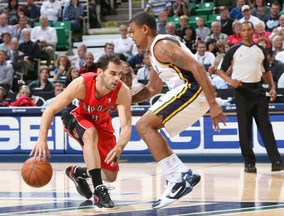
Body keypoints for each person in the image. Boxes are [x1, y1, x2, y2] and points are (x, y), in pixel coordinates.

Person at [129, 11, 226, 209]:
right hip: (187, 90)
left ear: (145, 29)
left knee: (144, 125)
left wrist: (213, 104)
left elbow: (197, 67)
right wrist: (127, 101)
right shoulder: (155, 51)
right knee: (146, 127)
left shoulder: (161, 46)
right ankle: (181, 174)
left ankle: (176, 179)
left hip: (193, 89)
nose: (131, 36)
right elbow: (152, 89)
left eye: (133, 31)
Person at [30, 53, 132, 209]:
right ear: (100, 72)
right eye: (112, 73)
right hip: (76, 115)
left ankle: (78, 172)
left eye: (119, 74)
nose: (117, 78)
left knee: (110, 176)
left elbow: (126, 126)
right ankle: (99, 190)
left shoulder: (122, 91)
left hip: (101, 122)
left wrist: (119, 147)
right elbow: (50, 109)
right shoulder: (82, 83)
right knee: (90, 133)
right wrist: (42, 138)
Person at [217, 21, 284, 173]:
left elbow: (266, 71)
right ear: (240, 33)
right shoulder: (234, 50)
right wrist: (231, 81)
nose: (247, 32)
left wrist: (272, 87)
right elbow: (220, 71)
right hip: (242, 91)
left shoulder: (260, 49)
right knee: (245, 129)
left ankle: (276, 162)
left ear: (254, 31)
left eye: (249, 29)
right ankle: (249, 163)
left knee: (266, 127)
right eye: (244, 30)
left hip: (258, 90)